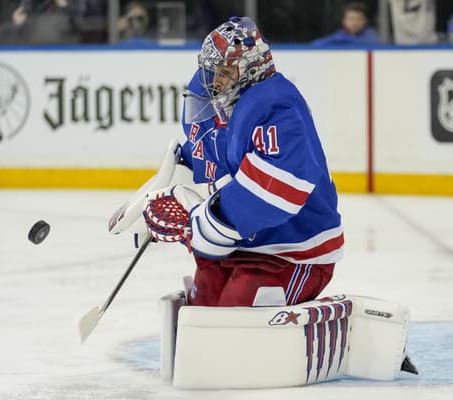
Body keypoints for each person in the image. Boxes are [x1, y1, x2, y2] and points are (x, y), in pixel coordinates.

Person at [143, 16, 343, 307]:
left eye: (224, 71)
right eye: (211, 71)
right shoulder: (220, 96)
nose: (214, 80)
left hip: (292, 250)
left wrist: (194, 224)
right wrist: (160, 198)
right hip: (237, 245)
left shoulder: (277, 108)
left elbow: (274, 194)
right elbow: (202, 152)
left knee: (235, 315)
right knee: (203, 309)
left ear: (251, 67)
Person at [312, 2, 379, 45]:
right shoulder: (338, 37)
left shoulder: (372, 35)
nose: (355, 22)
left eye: (359, 18)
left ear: (366, 21)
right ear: (343, 21)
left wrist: (345, 40)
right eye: (351, 18)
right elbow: (316, 44)